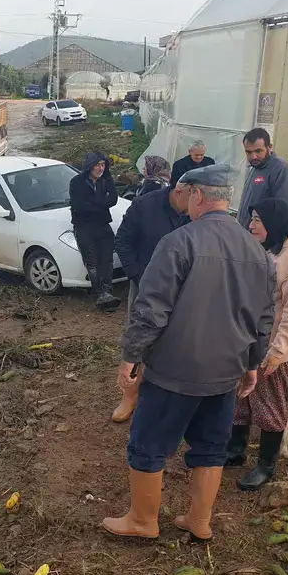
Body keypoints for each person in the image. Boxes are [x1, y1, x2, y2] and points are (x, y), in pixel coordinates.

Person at [101, 163, 276, 542]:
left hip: (174, 370)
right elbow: (263, 320)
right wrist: (251, 366)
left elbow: (151, 309)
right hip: (225, 371)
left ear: (197, 195)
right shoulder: (258, 253)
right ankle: (199, 521)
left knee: (148, 444)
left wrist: (131, 356)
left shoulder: (180, 242)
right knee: (211, 447)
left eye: (188, 196)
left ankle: (143, 520)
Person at [227, 198, 288, 490]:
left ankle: (266, 465)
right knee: (241, 398)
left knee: (269, 406)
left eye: (257, 220)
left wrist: (277, 353)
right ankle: (235, 450)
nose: (251, 225)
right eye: (251, 218)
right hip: (251, 342)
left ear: (273, 224)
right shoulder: (269, 250)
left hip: (275, 349)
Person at [111, 178, 192, 423]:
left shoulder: (198, 214)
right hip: (146, 287)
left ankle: (166, 397)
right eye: (194, 196)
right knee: (140, 338)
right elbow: (123, 242)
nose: (198, 202)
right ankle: (130, 394)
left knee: (176, 341)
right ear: (180, 191)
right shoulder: (144, 206)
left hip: (185, 289)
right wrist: (139, 277)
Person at [69, 151, 122, 311]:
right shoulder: (77, 182)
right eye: (97, 165)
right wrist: (101, 204)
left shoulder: (106, 180)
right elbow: (80, 206)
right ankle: (98, 293)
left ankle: (107, 291)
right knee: (92, 262)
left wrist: (95, 204)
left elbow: (113, 199)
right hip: (84, 227)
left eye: (103, 165)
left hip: (103, 224)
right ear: (90, 166)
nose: (100, 168)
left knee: (107, 260)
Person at [235, 128, 288, 228]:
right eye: (249, 152)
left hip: (262, 240)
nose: (253, 156)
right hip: (246, 235)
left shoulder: (281, 169)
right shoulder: (255, 167)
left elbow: (281, 212)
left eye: (258, 151)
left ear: (270, 147)